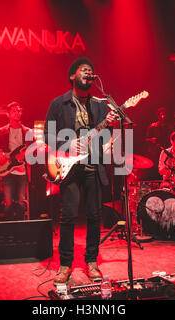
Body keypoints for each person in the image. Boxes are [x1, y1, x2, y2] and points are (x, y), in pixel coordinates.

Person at [43, 57, 118, 285]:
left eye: (91, 71)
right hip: (69, 166)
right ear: (72, 76)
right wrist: (67, 144)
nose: (89, 73)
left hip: (93, 166)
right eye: (84, 70)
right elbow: (47, 134)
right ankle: (65, 265)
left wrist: (110, 125)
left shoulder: (99, 104)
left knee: (95, 216)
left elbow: (104, 136)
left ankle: (91, 261)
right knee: (69, 217)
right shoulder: (59, 103)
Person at [0, 102, 32, 220]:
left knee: (21, 203)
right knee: (8, 204)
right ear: (7, 114)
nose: (17, 112)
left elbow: (34, 152)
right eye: (14, 110)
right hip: (7, 171)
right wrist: (0, 154)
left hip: (22, 172)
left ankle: (21, 233)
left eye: (19, 110)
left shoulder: (28, 132)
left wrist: (37, 150)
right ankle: (9, 233)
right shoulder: (1, 131)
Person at [145, 107, 175, 179]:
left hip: (166, 151)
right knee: (155, 168)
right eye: (162, 114)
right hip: (155, 152)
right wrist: (151, 140)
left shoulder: (170, 127)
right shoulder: (152, 126)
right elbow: (146, 139)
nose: (163, 116)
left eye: (165, 114)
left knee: (166, 167)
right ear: (158, 116)